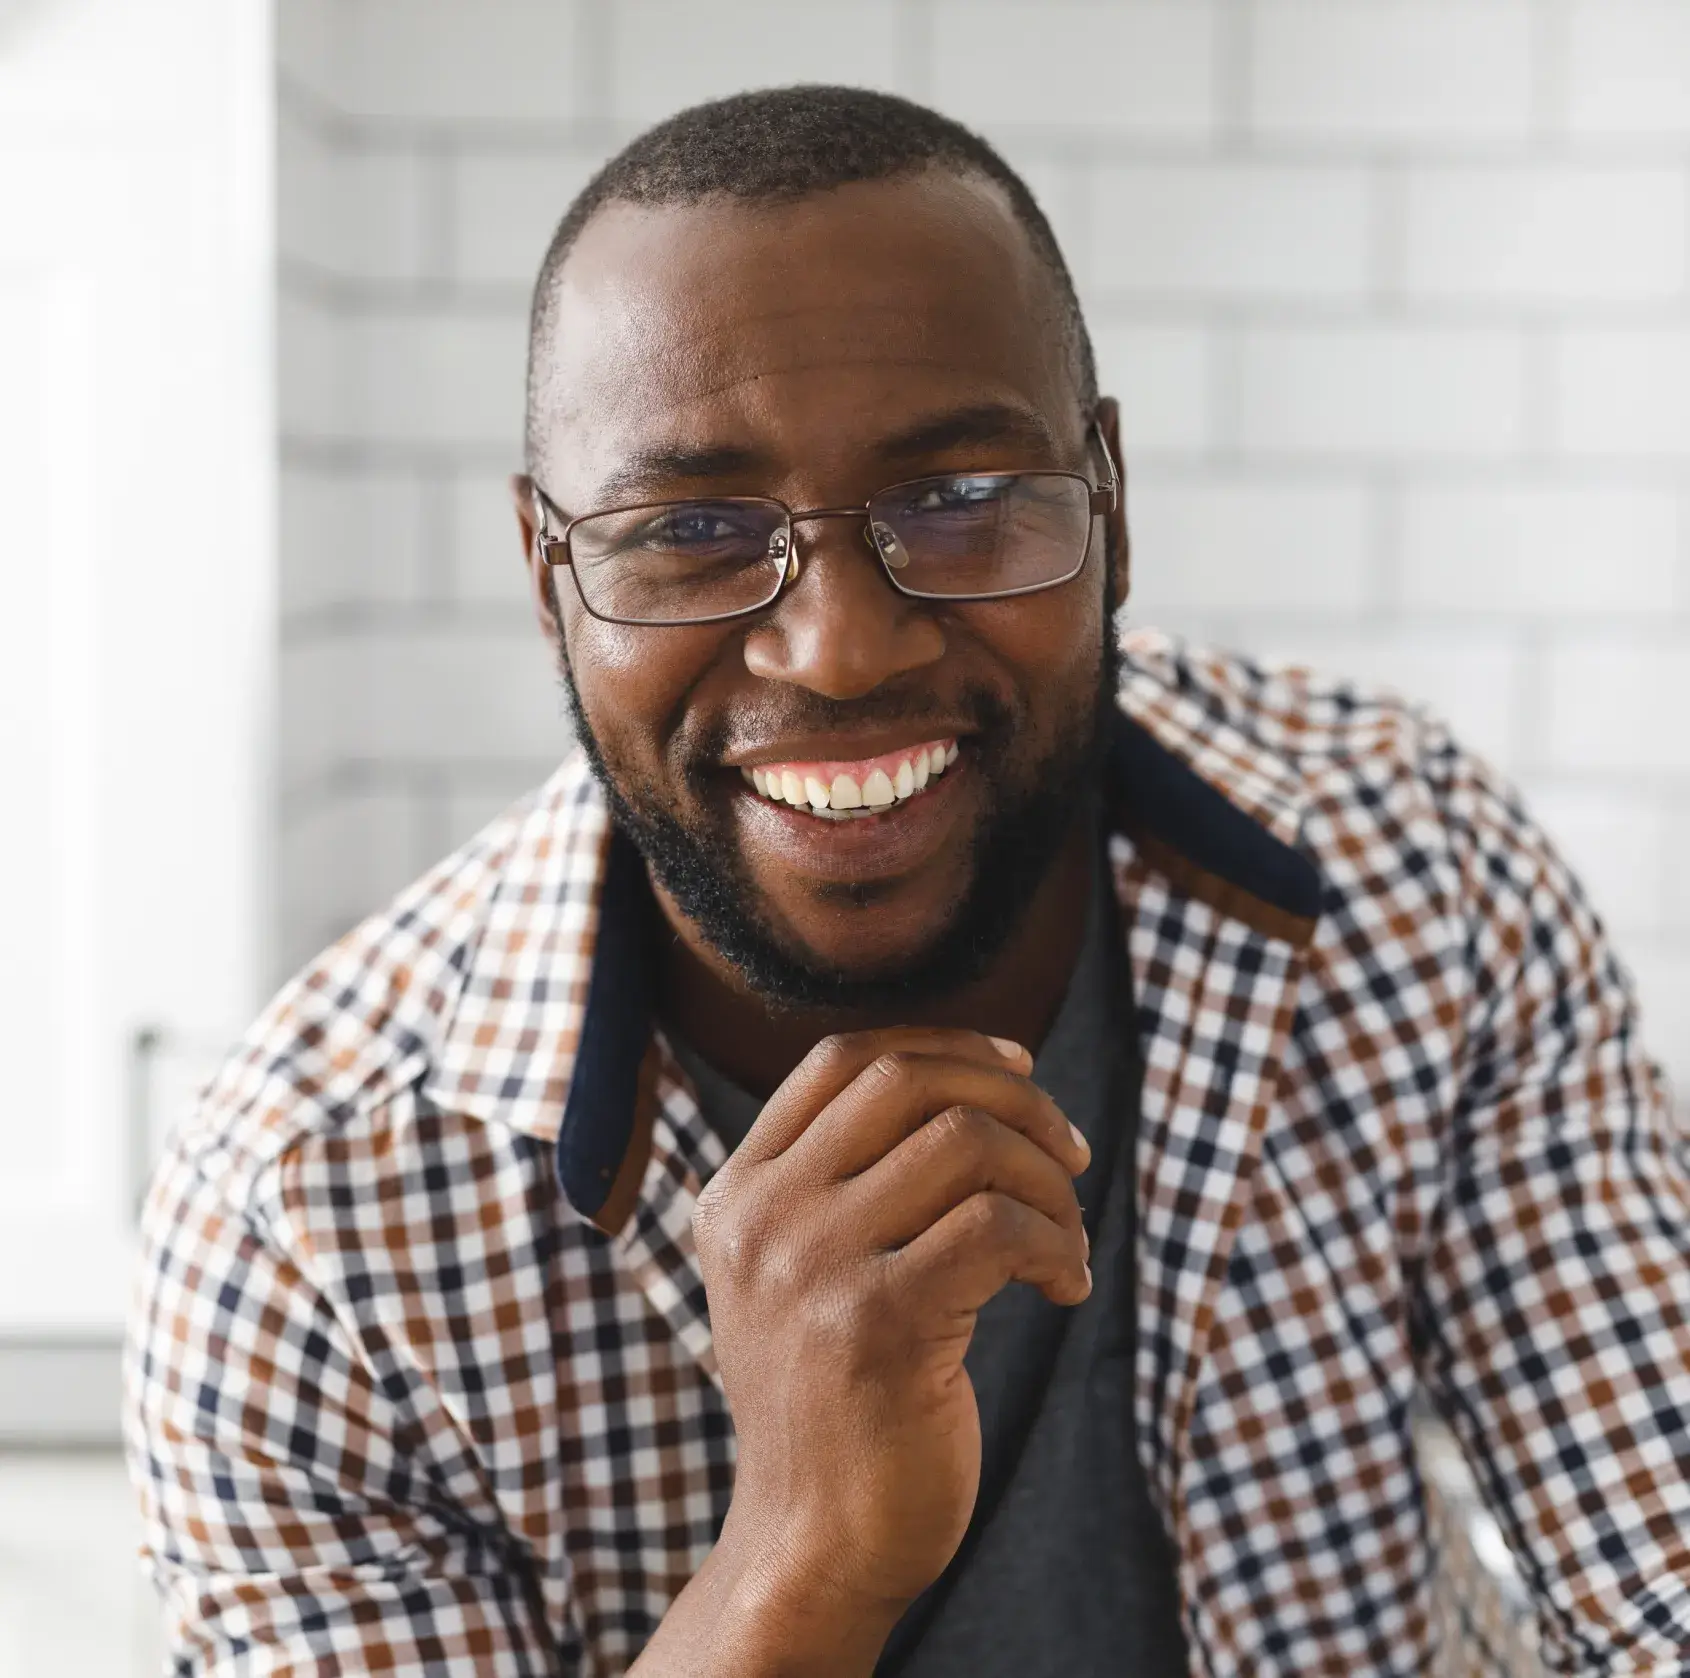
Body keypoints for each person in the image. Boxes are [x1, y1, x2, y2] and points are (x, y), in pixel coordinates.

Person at [125, 86, 1690, 1677]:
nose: (841, 650)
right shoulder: (308, 1225)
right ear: (551, 580)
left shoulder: (1406, 865)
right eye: (692, 528)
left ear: (1110, 505)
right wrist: (796, 1555)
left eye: (959, 503)